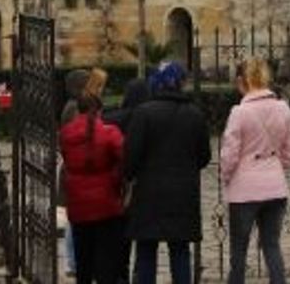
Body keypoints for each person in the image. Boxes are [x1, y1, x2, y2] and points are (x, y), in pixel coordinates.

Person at [124, 61, 211, 284]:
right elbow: (204, 156)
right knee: (180, 249)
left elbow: (131, 156)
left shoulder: (144, 113)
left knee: (146, 248)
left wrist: (131, 177)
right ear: (181, 83)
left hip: (148, 191)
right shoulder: (194, 114)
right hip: (183, 191)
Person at [220, 58, 290, 284]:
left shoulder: (239, 112)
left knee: (239, 249)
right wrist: (274, 166)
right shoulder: (283, 108)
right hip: (275, 186)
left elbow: (229, 154)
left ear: (241, 82)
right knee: (271, 245)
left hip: (244, 188)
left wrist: (227, 177)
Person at [60, 68, 127, 284]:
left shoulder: (67, 133)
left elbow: (67, 158)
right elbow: (124, 159)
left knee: (83, 261)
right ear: (99, 110)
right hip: (106, 203)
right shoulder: (110, 133)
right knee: (106, 262)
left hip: (78, 204)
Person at [104, 78, 151, 283]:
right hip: (147, 184)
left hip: (117, 185)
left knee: (119, 238)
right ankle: (140, 276)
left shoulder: (111, 119)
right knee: (145, 240)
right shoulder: (151, 117)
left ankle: (120, 276)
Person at [61, 68, 90, 276]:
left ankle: (75, 261)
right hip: (76, 168)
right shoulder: (74, 109)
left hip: (73, 168)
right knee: (75, 218)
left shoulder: (73, 107)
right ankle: (73, 262)